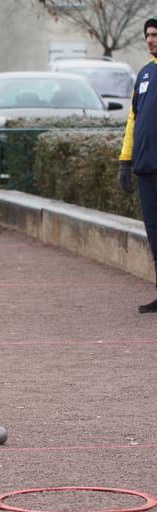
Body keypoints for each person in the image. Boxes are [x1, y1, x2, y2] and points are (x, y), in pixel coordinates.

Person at [119, 16, 157, 313]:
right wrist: (125, 161)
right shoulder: (144, 75)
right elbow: (133, 120)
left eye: (155, 34)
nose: (150, 40)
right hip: (145, 169)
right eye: (148, 35)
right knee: (154, 235)